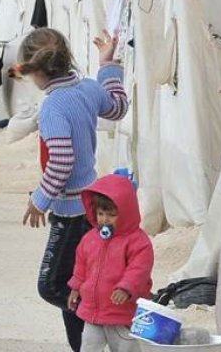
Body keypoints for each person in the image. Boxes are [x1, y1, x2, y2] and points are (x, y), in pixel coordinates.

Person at [18, 27, 129, 352]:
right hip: (91, 207)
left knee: (52, 286)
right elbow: (118, 108)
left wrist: (40, 200)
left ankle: (102, 319)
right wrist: (108, 65)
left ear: (35, 71)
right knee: (73, 283)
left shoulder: (53, 107)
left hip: (70, 213)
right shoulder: (87, 89)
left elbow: (62, 161)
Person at [68, 174, 153, 352]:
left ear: (126, 212)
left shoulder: (137, 241)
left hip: (121, 313)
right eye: (100, 214)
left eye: (112, 215)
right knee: (89, 347)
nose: (105, 220)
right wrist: (76, 287)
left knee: (125, 348)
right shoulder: (90, 238)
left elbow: (139, 269)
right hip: (93, 311)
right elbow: (81, 265)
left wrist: (126, 288)